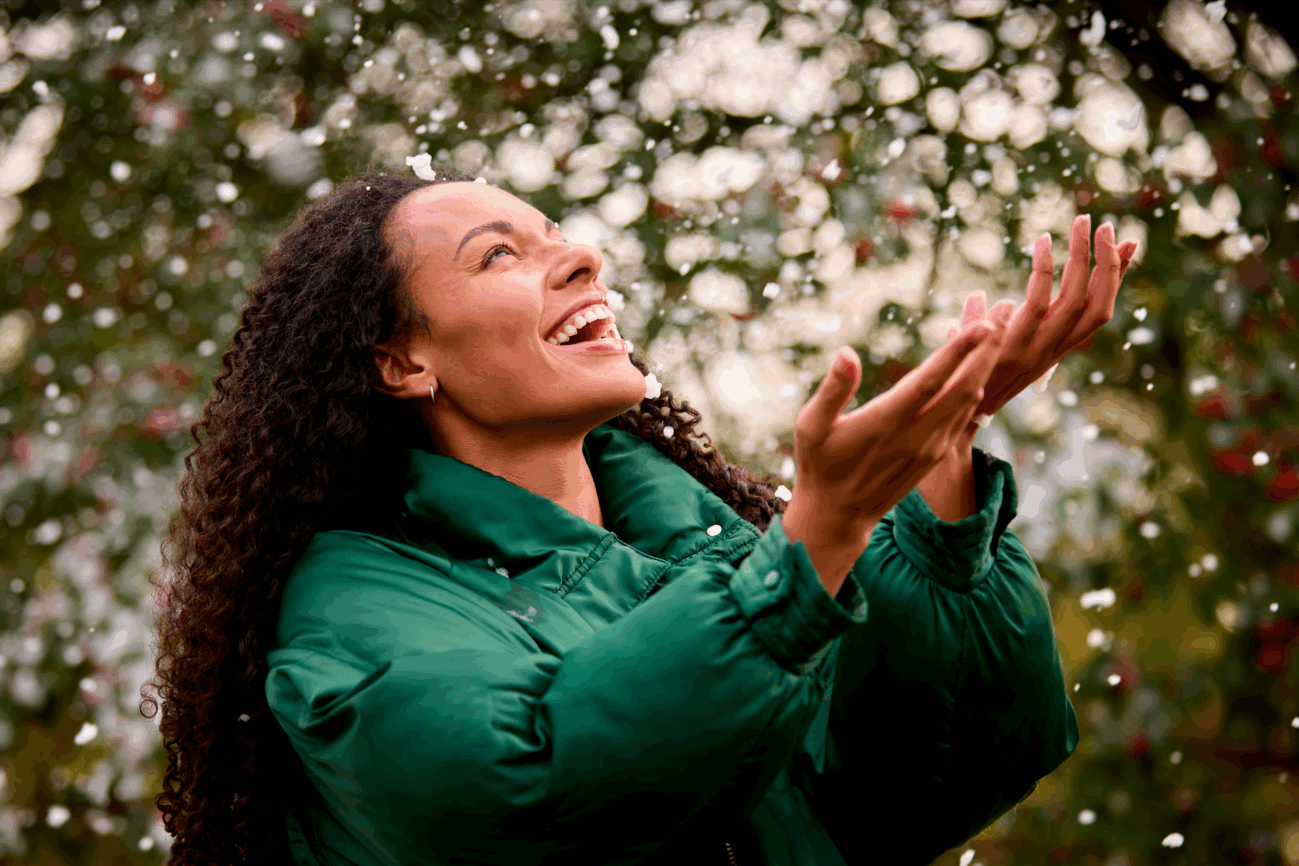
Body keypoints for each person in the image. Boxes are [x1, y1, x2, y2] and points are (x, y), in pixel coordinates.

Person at [149, 164, 1137, 866]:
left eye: (559, 235)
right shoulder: (344, 612)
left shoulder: (706, 543)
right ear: (403, 361)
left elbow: (938, 776)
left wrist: (940, 485)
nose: (581, 257)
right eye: (499, 257)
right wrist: (812, 546)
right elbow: (541, 789)